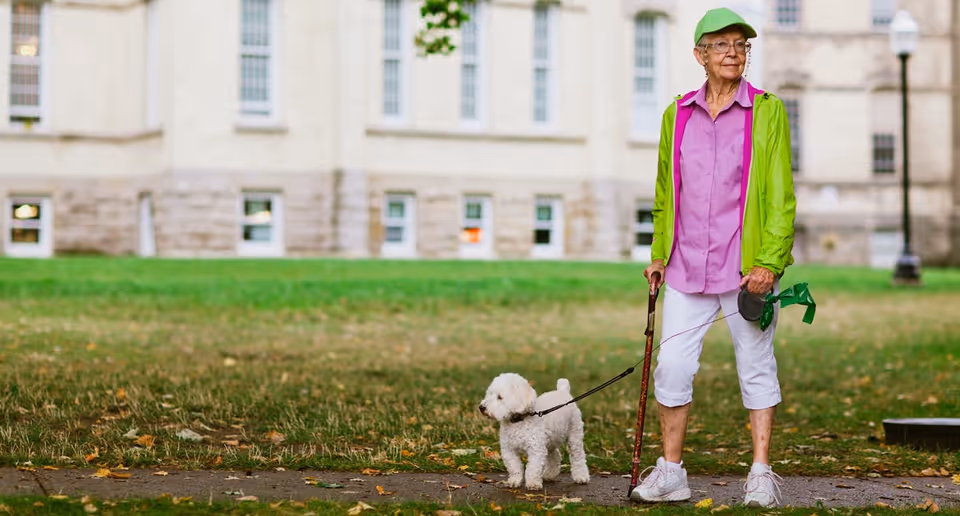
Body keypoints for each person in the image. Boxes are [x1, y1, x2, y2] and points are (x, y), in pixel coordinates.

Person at [629, 7, 796, 508]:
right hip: (685, 268)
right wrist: (659, 254)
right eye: (721, 45)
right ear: (699, 54)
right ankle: (672, 472)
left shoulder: (767, 110)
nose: (733, 53)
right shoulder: (676, 113)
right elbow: (666, 192)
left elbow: (782, 196)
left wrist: (770, 261)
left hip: (744, 270)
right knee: (673, 368)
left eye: (741, 45)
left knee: (756, 367)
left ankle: (761, 473)